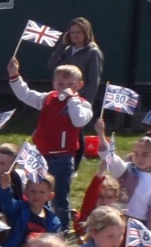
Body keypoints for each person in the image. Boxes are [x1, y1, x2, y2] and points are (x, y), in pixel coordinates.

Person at [6, 56, 92, 219]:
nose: (64, 88)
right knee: (37, 193)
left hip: (62, 158)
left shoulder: (82, 104)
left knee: (59, 197)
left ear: (79, 85)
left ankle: (62, 226)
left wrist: (72, 100)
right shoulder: (48, 98)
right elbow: (26, 95)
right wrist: (14, 76)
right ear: (54, 84)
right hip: (40, 155)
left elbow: (79, 120)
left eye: (70, 85)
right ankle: (38, 222)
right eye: (60, 84)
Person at [46, 17, 103, 113]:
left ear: (85, 33)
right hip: (62, 96)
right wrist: (62, 45)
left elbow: (93, 82)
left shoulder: (93, 52)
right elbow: (51, 64)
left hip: (79, 98)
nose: (75, 35)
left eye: (78, 32)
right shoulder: (68, 50)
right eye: (72, 32)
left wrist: (87, 105)